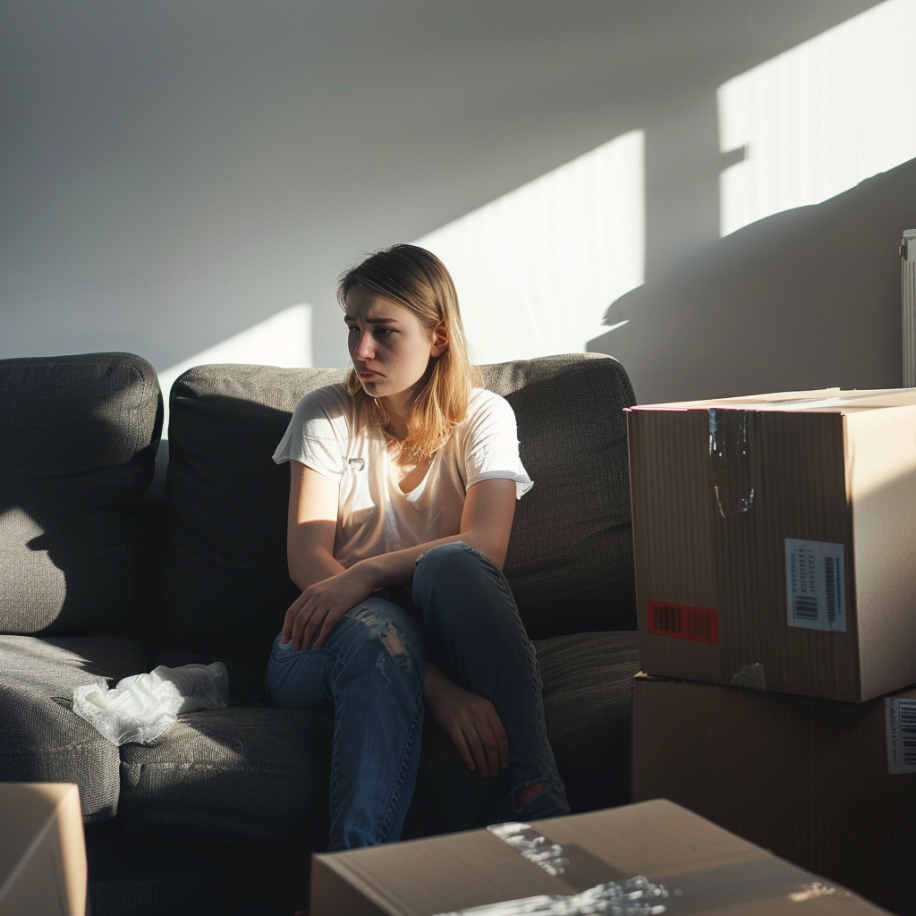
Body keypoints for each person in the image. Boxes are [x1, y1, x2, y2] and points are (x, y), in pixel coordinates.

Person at [266, 244, 569, 850]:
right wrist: (438, 689)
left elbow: (487, 546)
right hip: (326, 641)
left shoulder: (484, 416)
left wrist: (365, 571)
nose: (361, 351)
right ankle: (358, 879)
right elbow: (308, 560)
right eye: (353, 328)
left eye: (383, 331)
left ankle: (540, 798)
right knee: (380, 629)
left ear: (437, 337)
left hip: (444, 624)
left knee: (454, 561)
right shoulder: (325, 413)